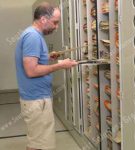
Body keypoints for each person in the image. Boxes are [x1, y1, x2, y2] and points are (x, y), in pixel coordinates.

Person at [15, 2, 78, 150]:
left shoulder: (31, 34)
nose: (56, 27)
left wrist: (47, 57)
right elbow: (31, 71)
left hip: (35, 99)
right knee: (40, 146)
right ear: (43, 19)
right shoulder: (33, 37)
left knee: (36, 142)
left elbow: (32, 61)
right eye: (55, 22)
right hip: (37, 101)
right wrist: (60, 65)